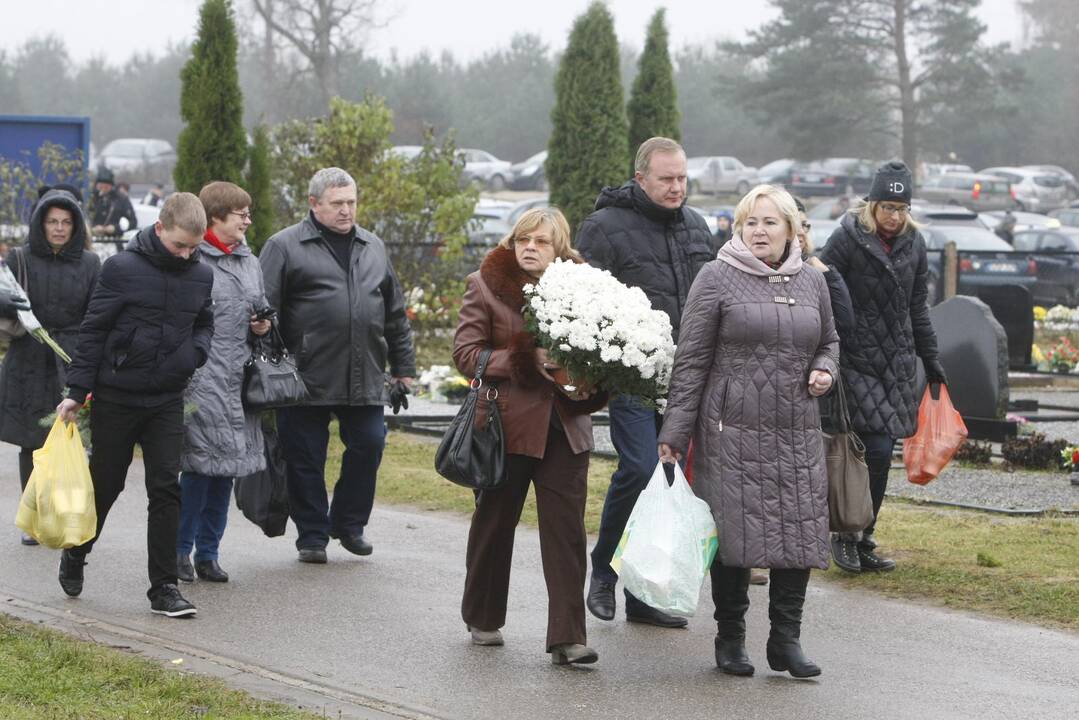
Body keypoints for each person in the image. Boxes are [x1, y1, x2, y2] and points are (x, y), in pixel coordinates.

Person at [657, 184, 839, 678]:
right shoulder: (717, 277)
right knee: (735, 534)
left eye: (769, 223)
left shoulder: (812, 282)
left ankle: (786, 640)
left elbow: (829, 340)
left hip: (796, 428)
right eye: (750, 222)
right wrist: (675, 431)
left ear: (792, 231)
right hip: (731, 430)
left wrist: (826, 368)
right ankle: (731, 638)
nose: (759, 231)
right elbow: (691, 359)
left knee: (798, 531)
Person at [453, 207, 608, 666]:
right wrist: (525, 356)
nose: (530, 248)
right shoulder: (485, 284)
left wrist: (594, 381)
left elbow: (604, 349)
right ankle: (482, 615)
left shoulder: (588, 287)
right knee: (494, 524)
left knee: (566, 534)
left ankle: (568, 637)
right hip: (505, 426)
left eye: (541, 241)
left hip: (566, 426)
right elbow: (466, 355)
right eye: (524, 239)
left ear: (559, 247)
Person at [576, 136, 716, 629]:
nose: (677, 187)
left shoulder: (698, 227)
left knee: (671, 482)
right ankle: (602, 570)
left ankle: (644, 592)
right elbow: (586, 301)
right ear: (641, 178)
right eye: (667, 179)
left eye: (682, 178)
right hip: (633, 375)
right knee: (638, 469)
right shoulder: (604, 228)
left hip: (688, 376)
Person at [55, 192, 214, 618]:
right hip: (117, 396)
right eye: (179, 245)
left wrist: (193, 354)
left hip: (166, 398)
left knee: (165, 487)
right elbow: (93, 331)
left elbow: (204, 322)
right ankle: (76, 551)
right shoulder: (121, 268)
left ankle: (163, 588)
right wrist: (76, 390)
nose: (186, 255)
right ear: (160, 228)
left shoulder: (201, 274)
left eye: (194, 247)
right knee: (105, 485)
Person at [260, 167, 415, 564]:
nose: (347, 211)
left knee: (369, 444)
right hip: (303, 374)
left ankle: (348, 524)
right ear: (314, 204)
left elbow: (394, 312)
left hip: (364, 371)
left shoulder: (373, 246)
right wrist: (270, 365)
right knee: (305, 456)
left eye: (352, 202)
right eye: (337, 204)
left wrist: (403, 366)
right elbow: (263, 310)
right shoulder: (284, 246)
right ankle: (312, 535)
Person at [818, 161, 947, 573]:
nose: (894, 216)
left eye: (901, 208)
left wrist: (932, 359)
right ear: (871, 204)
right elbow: (822, 286)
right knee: (864, 449)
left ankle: (866, 535)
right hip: (855, 359)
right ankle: (846, 534)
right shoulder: (847, 238)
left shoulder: (915, 242)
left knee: (881, 454)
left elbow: (917, 307)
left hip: (895, 363)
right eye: (887, 207)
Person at [175, 182, 271, 584]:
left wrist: (263, 325)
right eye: (240, 213)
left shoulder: (250, 260)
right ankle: (179, 551)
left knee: (226, 472)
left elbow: (262, 309)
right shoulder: (193, 259)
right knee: (199, 471)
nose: (248, 220)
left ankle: (209, 554)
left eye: (248, 213)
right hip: (203, 379)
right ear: (216, 218)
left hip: (239, 381)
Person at [0, 189, 100, 546]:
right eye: (52, 221)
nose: (59, 228)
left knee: (73, 440)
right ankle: (35, 516)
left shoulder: (90, 263)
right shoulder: (19, 257)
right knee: (32, 441)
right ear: (41, 224)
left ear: (76, 226)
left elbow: (97, 313)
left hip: (71, 357)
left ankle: (68, 513)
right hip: (29, 357)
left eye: (66, 222)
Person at [89, 167, 137, 238]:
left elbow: (133, 222)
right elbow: (84, 218)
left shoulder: (121, 199)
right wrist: (92, 229)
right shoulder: (91, 198)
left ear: (111, 186)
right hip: (93, 239)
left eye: (106, 187)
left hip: (115, 239)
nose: (103, 190)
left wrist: (116, 228)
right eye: (101, 186)